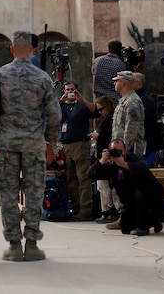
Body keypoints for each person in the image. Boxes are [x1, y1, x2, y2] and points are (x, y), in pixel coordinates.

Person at [0, 30, 61, 262]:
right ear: (32, 49)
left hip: (7, 143)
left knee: (8, 194)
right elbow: (54, 113)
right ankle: (33, 244)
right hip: (33, 143)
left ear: (11, 49)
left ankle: (14, 245)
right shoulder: (42, 77)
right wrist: (50, 138)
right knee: (35, 193)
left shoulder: (0, 75)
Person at [88, 138, 164, 236]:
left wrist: (124, 164)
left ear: (125, 150)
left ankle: (147, 224)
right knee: (126, 228)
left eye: (120, 151)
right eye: (114, 151)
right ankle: (150, 221)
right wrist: (102, 160)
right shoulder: (112, 166)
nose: (118, 154)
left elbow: (143, 168)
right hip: (130, 202)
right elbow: (90, 174)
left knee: (140, 192)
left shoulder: (132, 158)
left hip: (149, 200)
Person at [57, 81, 98, 221]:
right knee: (70, 179)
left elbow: (95, 111)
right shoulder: (61, 106)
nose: (70, 92)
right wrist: (59, 101)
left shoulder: (82, 105)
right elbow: (50, 115)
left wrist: (82, 99)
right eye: (67, 89)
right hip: (65, 145)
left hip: (80, 144)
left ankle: (85, 209)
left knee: (83, 178)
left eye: (72, 89)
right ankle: (75, 208)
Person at [89, 96, 119, 223]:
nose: (99, 112)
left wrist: (99, 136)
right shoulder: (106, 120)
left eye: (101, 109)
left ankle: (108, 212)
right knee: (103, 185)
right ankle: (106, 210)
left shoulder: (111, 121)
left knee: (105, 186)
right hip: (102, 156)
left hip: (107, 157)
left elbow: (109, 138)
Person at [111, 71, 145, 156]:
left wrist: (124, 149)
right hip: (119, 149)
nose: (114, 83)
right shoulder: (123, 100)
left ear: (123, 83)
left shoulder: (132, 102)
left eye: (117, 81)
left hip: (129, 152)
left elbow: (131, 129)